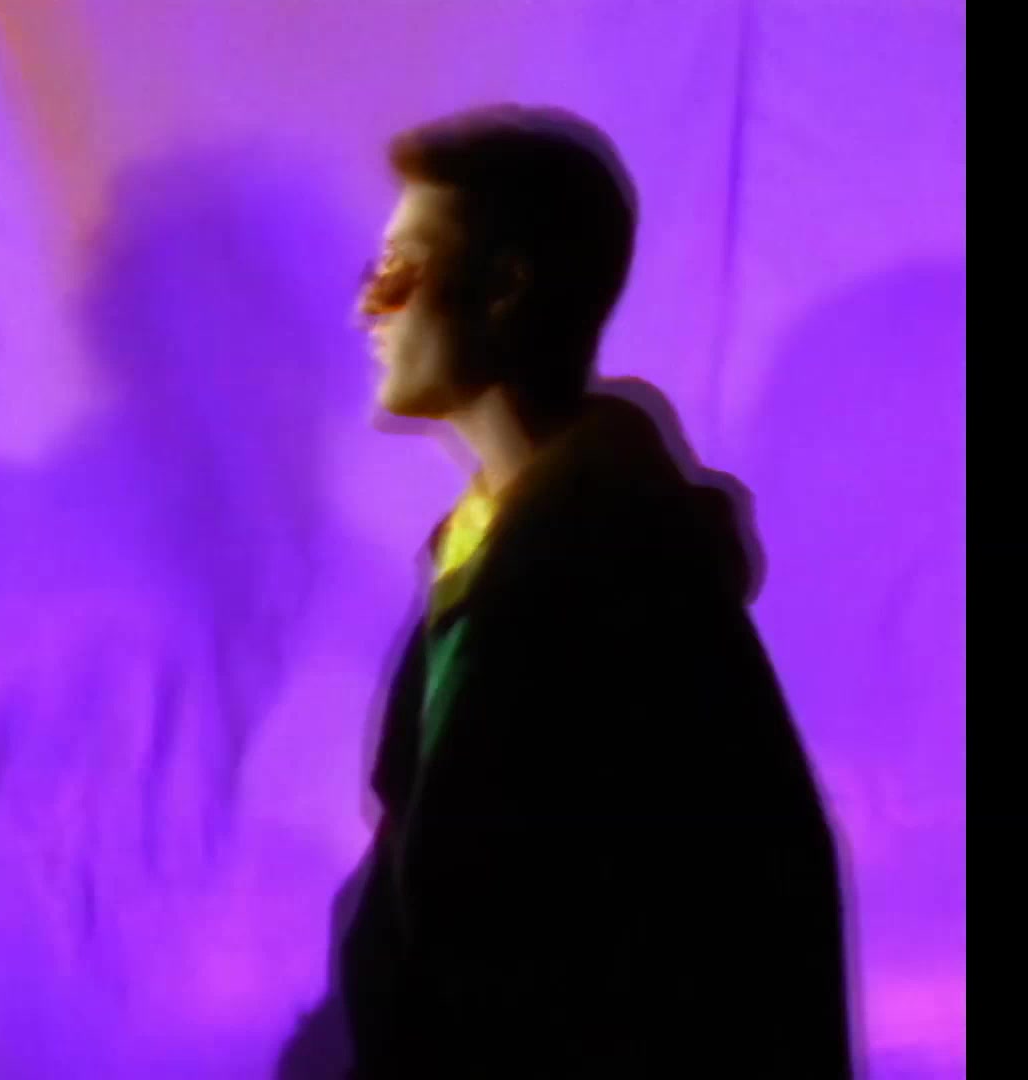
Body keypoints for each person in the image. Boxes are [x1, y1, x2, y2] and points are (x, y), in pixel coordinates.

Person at [339, 103, 854, 1076]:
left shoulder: (622, 590)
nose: (371, 305)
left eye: (402, 267)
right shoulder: (496, 553)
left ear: (504, 286)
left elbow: (686, 950)